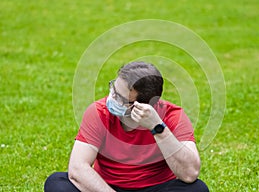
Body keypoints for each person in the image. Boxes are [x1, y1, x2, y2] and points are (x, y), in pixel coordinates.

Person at [44, 61, 209, 192]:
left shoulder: (174, 116)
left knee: (197, 189)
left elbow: (189, 174)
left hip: (158, 187)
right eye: (113, 89)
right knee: (57, 183)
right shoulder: (98, 112)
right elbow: (77, 168)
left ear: (145, 104)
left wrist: (158, 128)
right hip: (105, 187)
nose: (111, 98)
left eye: (120, 98)